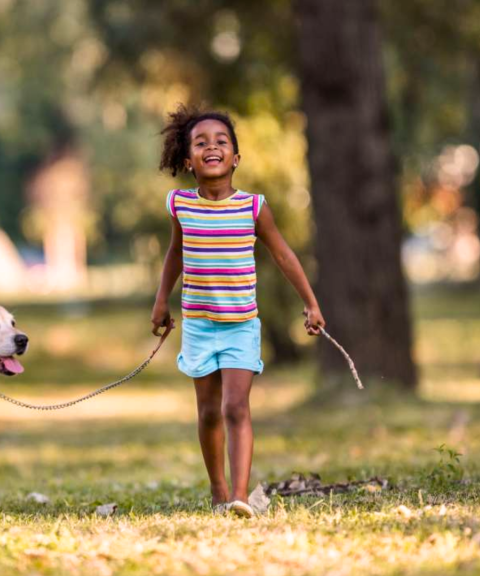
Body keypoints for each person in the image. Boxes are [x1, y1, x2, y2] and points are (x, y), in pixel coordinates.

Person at [151, 104, 325, 517]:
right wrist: (161, 300)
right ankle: (218, 490)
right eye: (201, 143)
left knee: (235, 407)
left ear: (236, 158)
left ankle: (240, 498)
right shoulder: (180, 206)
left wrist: (311, 302)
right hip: (197, 324)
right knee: (209, 412)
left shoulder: (252, 207)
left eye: (221, 141)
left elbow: (283, 255)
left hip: (241, 325)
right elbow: (176, 254)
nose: (212, 147)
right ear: (188, 159)